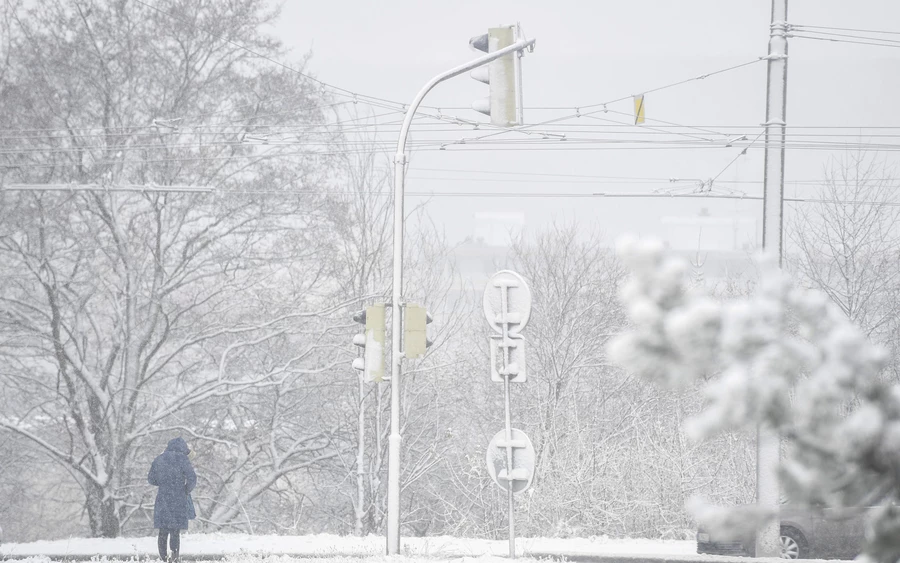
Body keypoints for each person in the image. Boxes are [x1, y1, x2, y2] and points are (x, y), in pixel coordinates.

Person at [148, 437, 197, 562]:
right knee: (175, 531)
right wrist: (185, 490)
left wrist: (164, 483)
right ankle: (174, 559)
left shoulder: (159, 459)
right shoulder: (183, 459)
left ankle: (164, 559)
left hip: (163, 498)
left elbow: (151, 479)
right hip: (178, 499)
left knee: (163, 531)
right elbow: (192, 478)